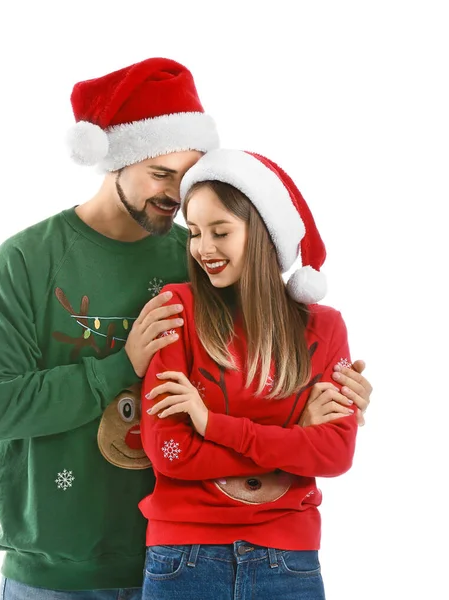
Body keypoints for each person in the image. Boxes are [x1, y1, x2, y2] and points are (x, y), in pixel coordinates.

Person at [0, 58, 372, 600]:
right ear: (115, 159)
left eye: (190, 175)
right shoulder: (26, 261)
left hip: (182, 560)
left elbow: (263, 379)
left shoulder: (200, 261)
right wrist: (120, 367)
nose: (177, 196)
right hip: (58, 573)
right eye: (160, 174)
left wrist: (330, 402)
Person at [140, 148, 363, 599]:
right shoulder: (177, 310)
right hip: (184, 558)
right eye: (196, 232)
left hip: (288, 560)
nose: (203, 249)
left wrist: (211, 425)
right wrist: (293, 436)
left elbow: (336, 452)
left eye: (220, 232)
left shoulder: (325, 328)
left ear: (262, 235)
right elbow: (168, 451)